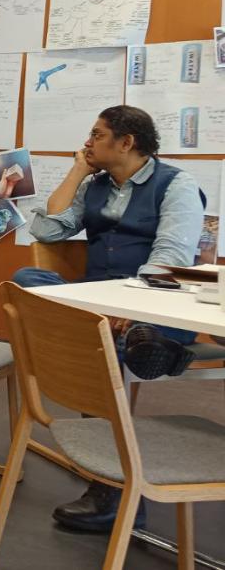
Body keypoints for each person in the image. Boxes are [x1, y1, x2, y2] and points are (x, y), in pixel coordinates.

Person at [13, 105, 203, 533]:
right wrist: (77, 172)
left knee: (100, 350)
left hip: (155, 305)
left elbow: (170, 259)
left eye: (97, 135)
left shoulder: (177, 185)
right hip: (98, 303)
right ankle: (133, 344)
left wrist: (128, 306)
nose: (88, 141)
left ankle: (111, 489)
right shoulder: (96, 184)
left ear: (126, 142)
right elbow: (46, 231)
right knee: (26, 278)